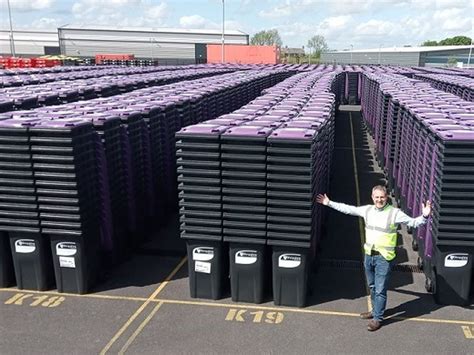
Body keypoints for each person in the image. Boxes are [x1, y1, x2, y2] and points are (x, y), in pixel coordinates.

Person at [316, 185, 431, 332]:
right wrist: (329, 203)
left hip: (384, 258)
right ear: (372, 197)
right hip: (369, 256)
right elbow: (349, 209)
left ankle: (377, 318)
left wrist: (425, 216)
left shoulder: (394, 213)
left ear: (386, 197)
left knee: (380, 290)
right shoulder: (368, 210)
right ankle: (374, 311)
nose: (379, 200)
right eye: (376, 197)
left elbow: (414, 223)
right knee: (372, 286)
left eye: (382, 197)